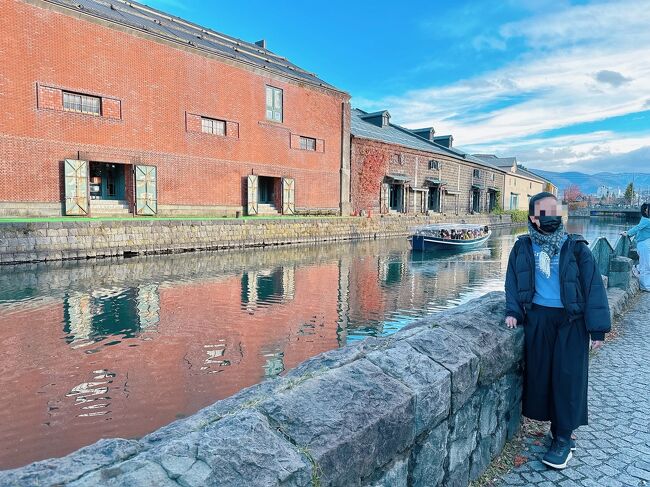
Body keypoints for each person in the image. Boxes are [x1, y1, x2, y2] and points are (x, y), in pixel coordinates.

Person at [504, 192, 610, 470]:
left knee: (568, 377)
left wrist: (597, 328)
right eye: (544, 211)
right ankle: (557, 430)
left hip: (571, 321)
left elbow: (593, 286)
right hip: (538, 319)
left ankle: (563, 438)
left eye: (554, 210)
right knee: (542, 376)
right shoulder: (523, 247)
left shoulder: (576, 248)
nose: (551, 216)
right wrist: (513, 311)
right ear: (532, 218)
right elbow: (513, 281)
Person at [622, 203, 650, 291]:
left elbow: (638, 229)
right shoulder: (646, 220)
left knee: (646, 264)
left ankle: (636, 268)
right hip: (644, 244)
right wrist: (628, 233)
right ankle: (645, 286)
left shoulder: (646, 220)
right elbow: (637, 228)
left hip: (645, 243)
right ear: (646, 210)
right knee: (645, 265)